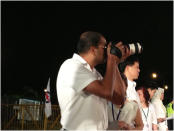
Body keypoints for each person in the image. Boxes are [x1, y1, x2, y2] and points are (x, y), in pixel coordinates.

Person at [56, 31, 130, 130]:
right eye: (104, 47)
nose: (107, 52)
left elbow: (119, 99)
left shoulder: (95, 74)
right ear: (93, 49)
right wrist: (112, 60)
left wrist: (115, 64)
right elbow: (106, 91)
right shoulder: (71, 66)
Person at [107, 55, 144, 130]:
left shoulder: (134, 92)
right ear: (128, 68)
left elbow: (139, 124)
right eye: (137, 67)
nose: (139, 70)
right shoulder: (105, 102)